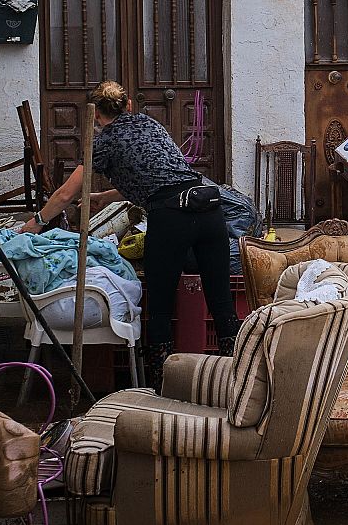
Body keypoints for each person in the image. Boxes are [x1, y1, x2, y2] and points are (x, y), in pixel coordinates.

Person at [21, 81, 238, 390]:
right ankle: (236, 380)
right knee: (221, 302)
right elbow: (157, 176)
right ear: (129, 107)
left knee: (160, 305)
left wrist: (37, 222)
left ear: (95, 116)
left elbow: (67, 193)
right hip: (209, 208)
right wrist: (104, 196)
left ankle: (162, 386)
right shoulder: (150, 124)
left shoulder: (104, 141)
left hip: (172, 217)